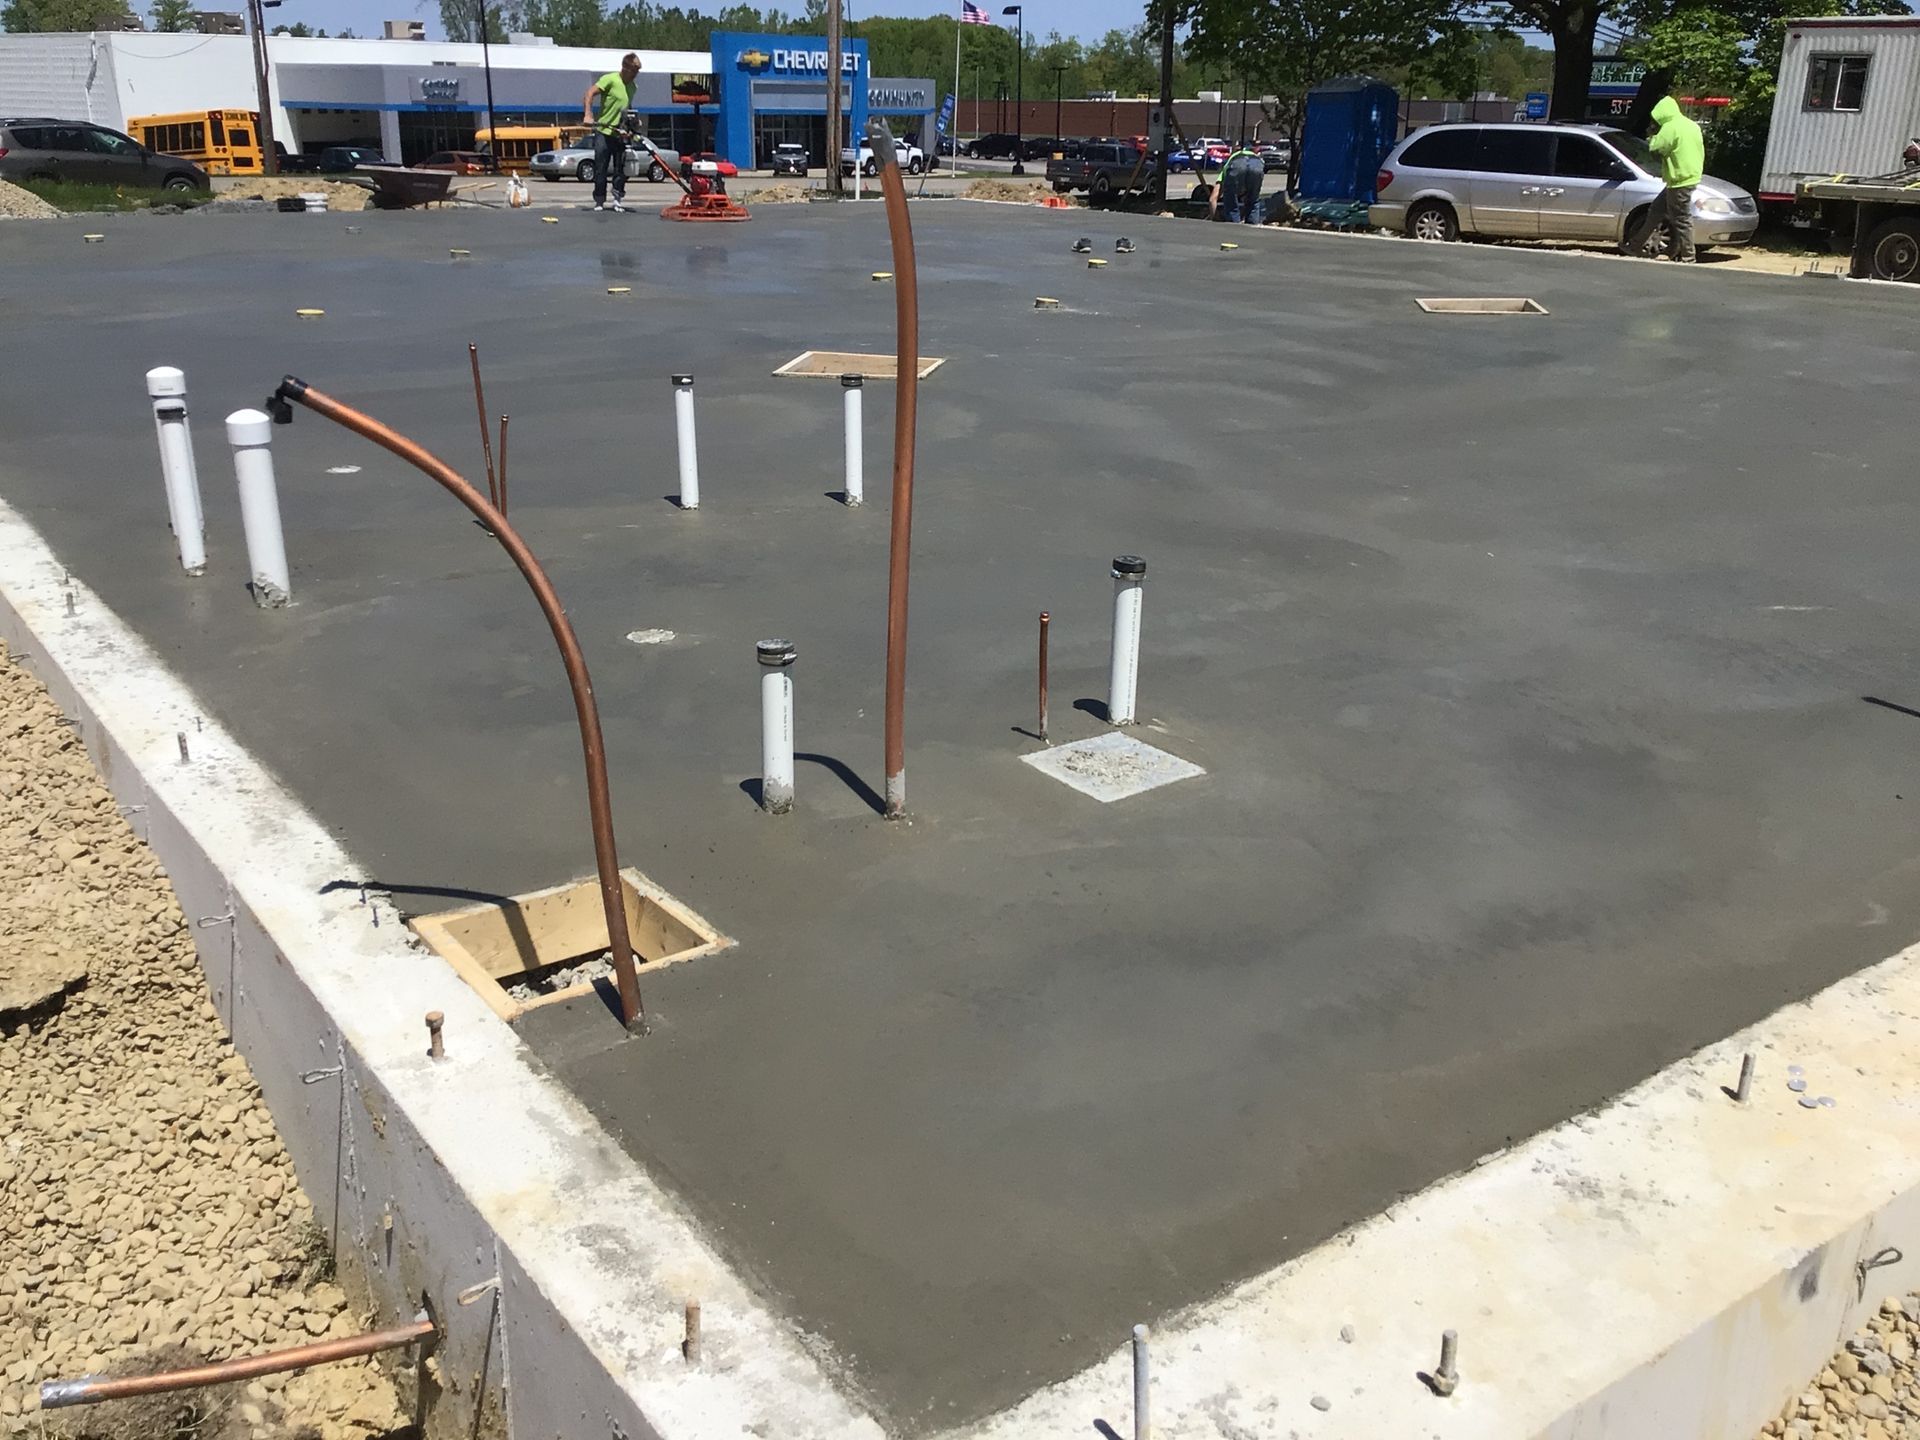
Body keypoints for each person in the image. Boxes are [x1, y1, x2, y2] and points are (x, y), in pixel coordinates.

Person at [1623, 96, 1704, 261]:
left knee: (1681, 218)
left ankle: (1689, 256)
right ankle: (1635, 245)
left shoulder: (1671, 127)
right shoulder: (1690, 125)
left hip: (1679, 179)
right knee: (1656, 210)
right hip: (1688, 176)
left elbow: (1656, 146)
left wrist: (1651, 137)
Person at [582, 52, 641, 212]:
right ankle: (599, 201)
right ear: (625, 68)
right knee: (601, 168)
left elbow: (627, 109)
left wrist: (630, 126)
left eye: (637, 72)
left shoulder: (632, 87)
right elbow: (589, 93)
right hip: (604, 131)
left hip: (620, 133)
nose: (636, 75)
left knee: (621, 168)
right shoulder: (610, 79)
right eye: (634, 71)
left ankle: (617, 199)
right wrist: (588, 114)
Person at [1209, 143, 1265, 224]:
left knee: (1230, 198)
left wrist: (1214, 219)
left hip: (1237, 162)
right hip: (1257, 163)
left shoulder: (1227, 169)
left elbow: (1212, 199)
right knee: (1253, 200)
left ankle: (1234, 227)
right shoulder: (1246, 182)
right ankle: (1252, 228)